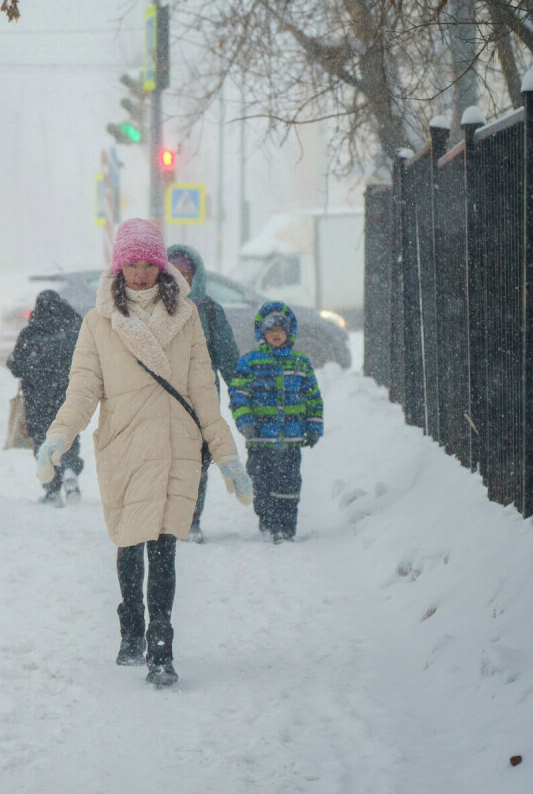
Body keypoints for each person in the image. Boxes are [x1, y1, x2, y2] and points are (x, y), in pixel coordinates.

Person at [35, 218, 253, 688]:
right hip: (125, 449)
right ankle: (131, 624)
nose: (139, 274)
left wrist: (227, 454)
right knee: (129, 544)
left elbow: (203, 394)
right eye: (129, 264)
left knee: (165, 547)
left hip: (176, 449)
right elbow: (83, 389)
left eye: (146, 264)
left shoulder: (188, 317)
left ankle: (161, 646)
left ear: (159, 264)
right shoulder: (98, 323)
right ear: (119, 266)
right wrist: (59, 435)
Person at [228, 300, 324, 542]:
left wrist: (313, 427)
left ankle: (286, 526)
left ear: (288, 333)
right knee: (261, 484)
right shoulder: (250, 362)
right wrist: (246, 422)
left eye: (281, 332)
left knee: (289, 486)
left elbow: (313, 399)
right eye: (271, 332)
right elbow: (239, 396)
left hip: (290, 440)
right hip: (260, 440)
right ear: (263, 334)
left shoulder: (300, 364)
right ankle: (268, 521)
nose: (276, 336)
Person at [166, 243, 240, 543]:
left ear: (196, 277)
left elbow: (229, 359)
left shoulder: (209, 312)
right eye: (175, 273)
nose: (181, 280)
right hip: (163, 403)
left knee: (196, 463)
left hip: (202, 404)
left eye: (187, 274)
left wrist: (243, 394)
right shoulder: (153, 310)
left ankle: (190, 521)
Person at [6, 289, 85, 506]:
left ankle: (52, 491)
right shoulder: (72, 330)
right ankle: (70, 469)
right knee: (68, 437)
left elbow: (15, 366)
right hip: (67, 397)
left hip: (37, 401)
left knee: (43, 442)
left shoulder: (30, 334)